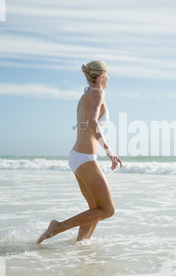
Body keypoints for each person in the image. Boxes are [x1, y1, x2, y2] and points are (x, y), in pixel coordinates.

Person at [37, 60, 122, 244]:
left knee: (94, 208)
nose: (109, 78)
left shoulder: (85, 96)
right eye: (108, 75)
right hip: (85, 158)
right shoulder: (98, 93)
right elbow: (92, 122)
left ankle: (81, 246)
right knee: (108, 210)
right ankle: (57, 227)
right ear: (101, 76)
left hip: (77, 157)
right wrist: (109, 150)